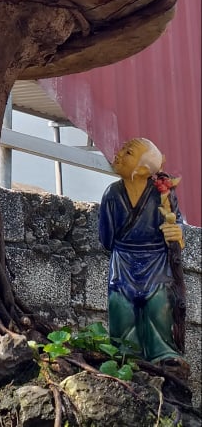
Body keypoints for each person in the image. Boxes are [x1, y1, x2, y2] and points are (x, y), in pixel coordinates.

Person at [99, 138, 188, 375]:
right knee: (121, 305)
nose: (119, 154)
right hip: (124, 259)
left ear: (141, 171)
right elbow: (106, 238)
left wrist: (177, 232)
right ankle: (125, 353)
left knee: (159, 304)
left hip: (156, 259)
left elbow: (177, 222)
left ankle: (163, 353)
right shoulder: (112, 193)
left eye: (128, 153)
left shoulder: (163, 194)